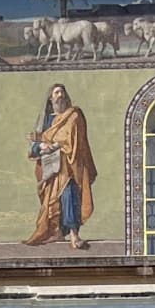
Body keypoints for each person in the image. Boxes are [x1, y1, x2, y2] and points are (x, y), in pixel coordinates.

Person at [26, 83, 98, 249]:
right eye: (56, 93)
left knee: (69, 194)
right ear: (50, 99)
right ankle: (56, 231)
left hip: (70, 165)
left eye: (62, 92)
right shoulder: (46, 120)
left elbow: (74, 138)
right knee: (52, 201)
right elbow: (35, 146)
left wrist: (54, 145)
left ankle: (73, 234)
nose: (60, 95)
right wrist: (41, 145)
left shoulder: (74, 115)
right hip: (50, 169)